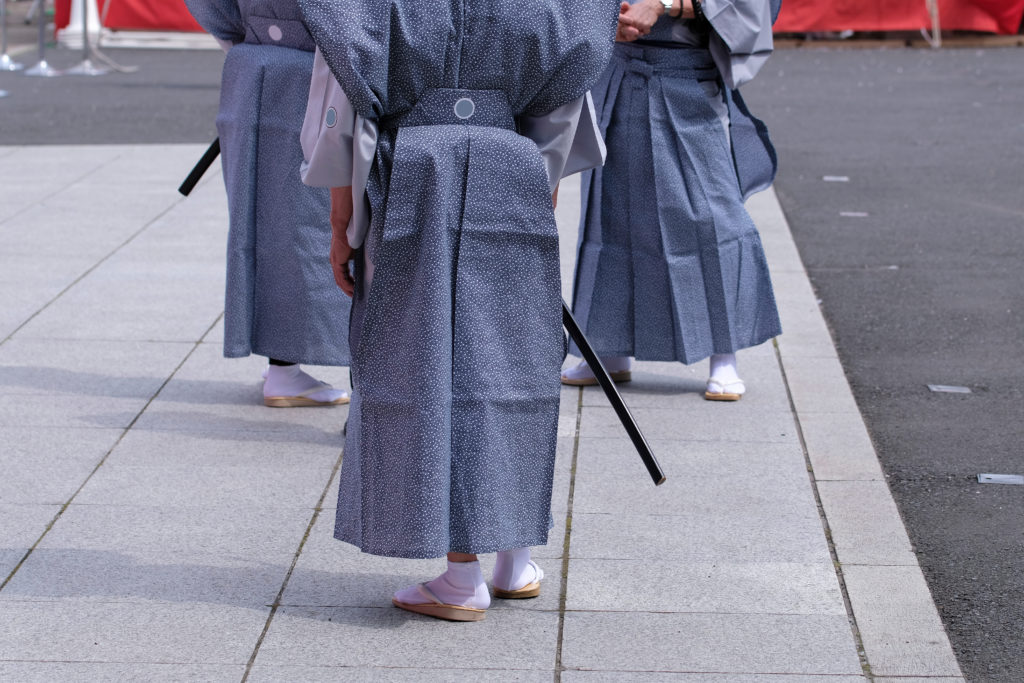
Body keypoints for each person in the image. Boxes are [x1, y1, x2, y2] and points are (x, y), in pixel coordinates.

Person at [298, 0, 618, 621]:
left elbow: (346, 104)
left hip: (413, 165)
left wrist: (342, 223)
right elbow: (561, 108)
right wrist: (536, 193)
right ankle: (512, 559)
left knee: (424, 362)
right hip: (512, 164)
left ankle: (459, 576)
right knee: (510, 363)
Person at [561, 0, 782, 401]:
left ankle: (724, 355)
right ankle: (609, 348)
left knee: (712, 216)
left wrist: (664, 5)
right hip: (618, 67)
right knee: (611, 213)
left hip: (686, 75)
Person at [184, 0, 351, 408]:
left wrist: (254, 34)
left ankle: (284, 369)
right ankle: (356, 376)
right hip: (323, 75)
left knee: (265, 225)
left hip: (252, 71)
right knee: (330, 228)